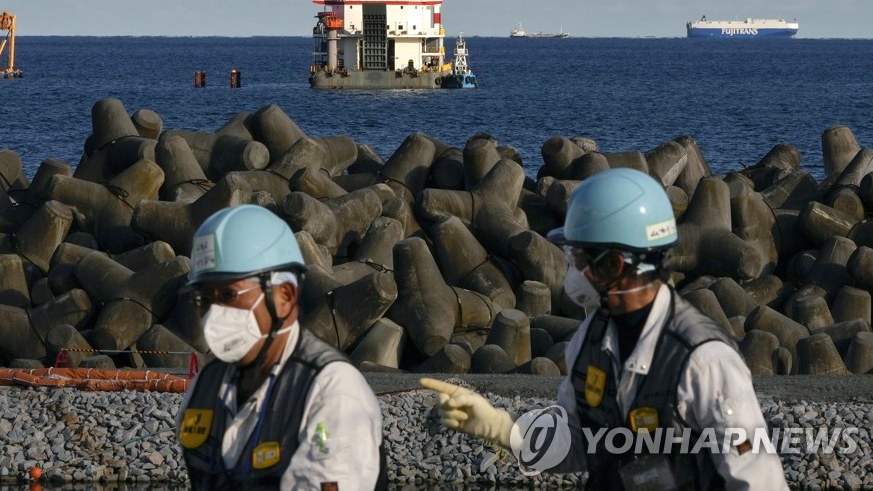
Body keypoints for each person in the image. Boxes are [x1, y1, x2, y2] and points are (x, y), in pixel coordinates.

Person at [423, 168, 788, 489]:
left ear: (613, 264)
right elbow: (580, 441)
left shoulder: (703, 360)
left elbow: (756, 478)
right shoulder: (590, 338)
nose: (571, 268)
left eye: (579, 257)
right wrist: (505, 429)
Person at [176, 203, 386, 490]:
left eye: (228, 294)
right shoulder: (203, 388)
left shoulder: (330, 393)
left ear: (284, 296)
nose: (214, 313)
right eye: (203, 298)